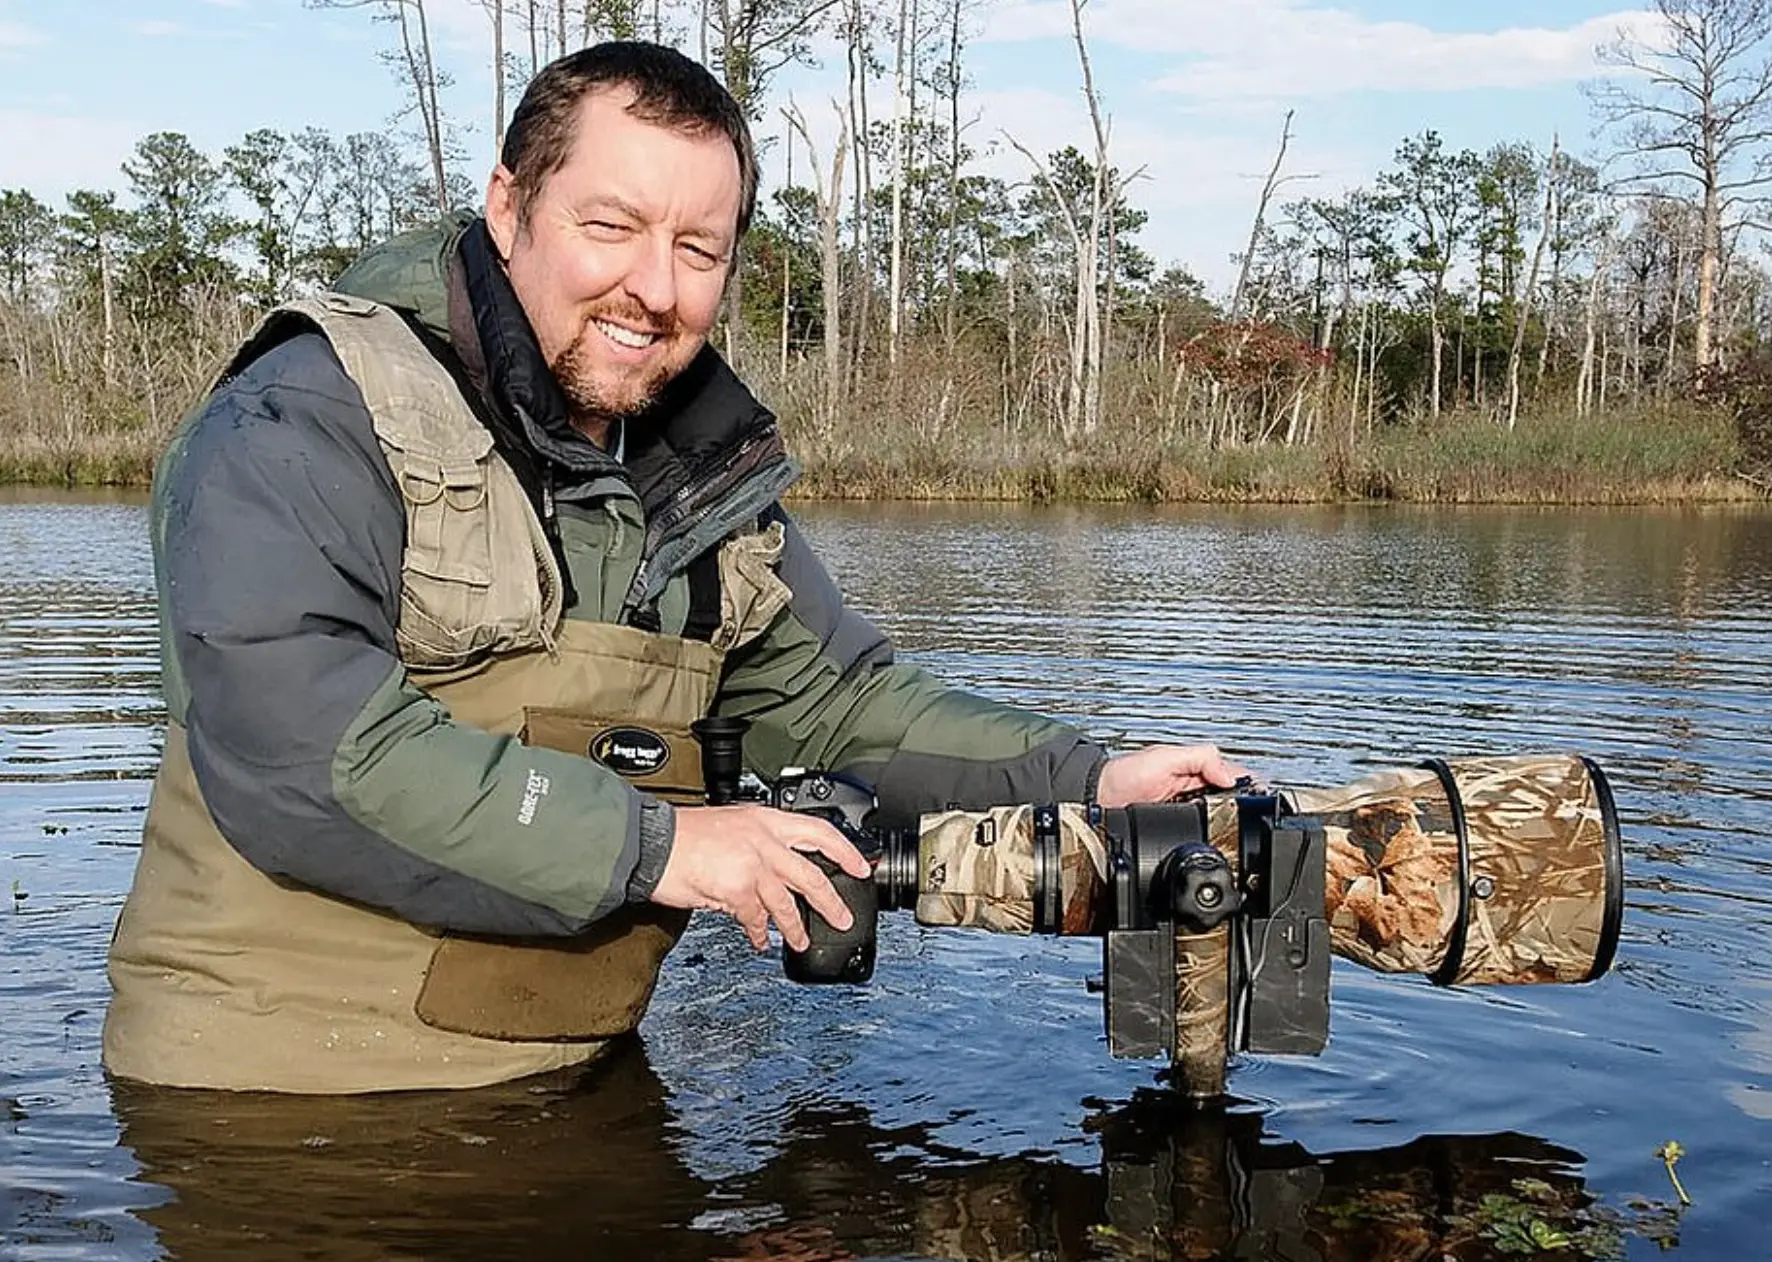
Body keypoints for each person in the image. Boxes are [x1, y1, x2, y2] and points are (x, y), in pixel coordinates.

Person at [103, 40, 1241, 1094]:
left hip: (570, 1076)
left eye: (697, 248)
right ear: (510, 209)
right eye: (612, 225)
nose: (655, 288)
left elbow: (842, 702)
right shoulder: (302, 418)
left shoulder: (698, 471)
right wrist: (664, 845)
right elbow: (303, 753)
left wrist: (1088, 780)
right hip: (272, 1106)